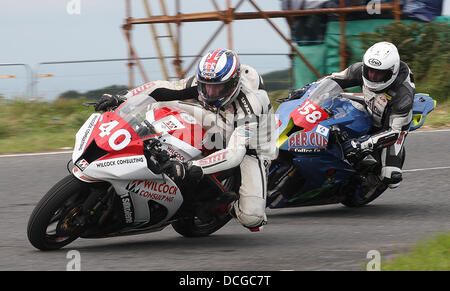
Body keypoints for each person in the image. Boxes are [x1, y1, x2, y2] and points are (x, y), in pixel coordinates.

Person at [95, 48, 278, 231]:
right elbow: (164, 88)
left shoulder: (251, 104)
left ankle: (223, 206)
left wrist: (191, 168)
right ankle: (142, 139)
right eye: (206, 86)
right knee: (161, 102)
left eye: (217, 88)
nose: (210, 92)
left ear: (233, 84)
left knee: (252, 218)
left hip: (252, 147)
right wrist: (122, 98)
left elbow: (234, 154)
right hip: (219, 119)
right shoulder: (209, 80)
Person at [328, 41, 415, 189]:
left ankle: (366, 184)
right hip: (368, 106)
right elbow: (332, 79)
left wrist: (363, 144)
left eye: (379, 73)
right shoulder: (360, 70)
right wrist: (306, 90)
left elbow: (395, 132)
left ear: (391, 72)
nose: (373, 76)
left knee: (390, 177)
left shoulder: (403, 95)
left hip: (390, 125)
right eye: (370, 71)